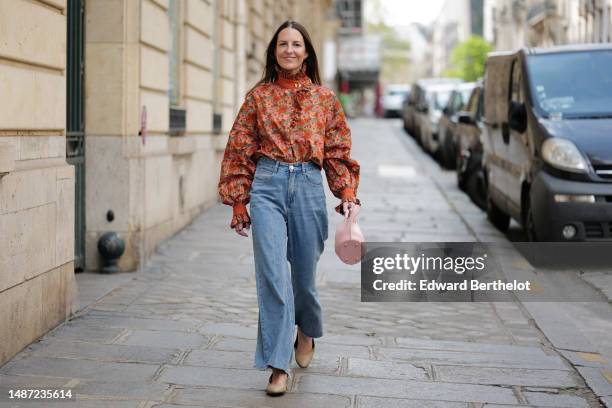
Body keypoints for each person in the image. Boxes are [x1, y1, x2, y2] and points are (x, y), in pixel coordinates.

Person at [218, 20, 361, 396]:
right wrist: (238, 199)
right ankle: (278, 365)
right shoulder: (258, 97)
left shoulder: (325, 99)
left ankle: (306, 330)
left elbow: (337, 150)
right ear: (274, 51)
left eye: (296, 44)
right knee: (272, 275)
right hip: (267, 185)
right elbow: (239, 147)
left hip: (310, 186)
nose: (289, 50)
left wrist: (346, 192)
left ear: (307, 52)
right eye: (283, 44)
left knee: (303, 280)